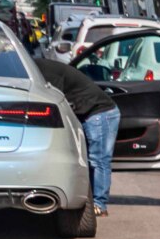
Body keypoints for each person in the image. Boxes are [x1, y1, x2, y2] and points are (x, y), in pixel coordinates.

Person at [33, 44, 121, 216]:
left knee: (99, 160)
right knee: (90, 160)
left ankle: (99, 204)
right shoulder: (42, 68)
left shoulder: (45, 72)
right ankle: (92, 201)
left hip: (100, 112)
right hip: (91, 112)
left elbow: (56, 99)